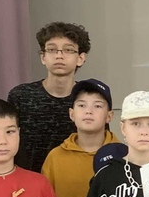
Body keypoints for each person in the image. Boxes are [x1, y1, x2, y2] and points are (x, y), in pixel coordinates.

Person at [9, 21, 93, 172]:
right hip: (28, 180)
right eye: (52, 50)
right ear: (43, 57)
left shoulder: (90, 98)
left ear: (81, 58)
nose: (59, 56)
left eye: (68, 50)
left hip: (77, 179)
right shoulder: (21, 96)